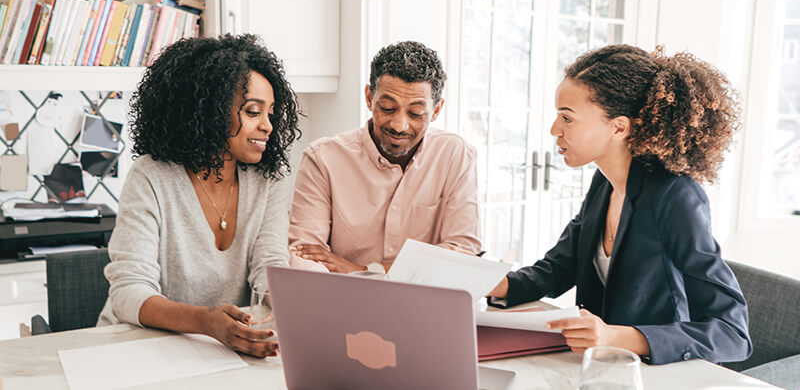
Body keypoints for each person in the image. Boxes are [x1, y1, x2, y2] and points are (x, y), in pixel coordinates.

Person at [488, 44, 752, 365]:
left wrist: (619, 336)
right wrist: (493, 283)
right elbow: (561, 267)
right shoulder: (605, 182)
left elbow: (732, 333)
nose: (554, 130)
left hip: (660, 375)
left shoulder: (676, 196)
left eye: (567, 118)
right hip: (602, 370)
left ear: (619, 127)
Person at [97, 34, 301, 358]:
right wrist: (206, 322)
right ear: (210, 111)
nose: (268, 126)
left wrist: (289, 305)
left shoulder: (268, 180)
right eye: (252, 112)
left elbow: (270, 266)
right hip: (138, 348)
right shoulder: (151, 176)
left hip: (221, 349)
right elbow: (128, 292)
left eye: (271, 114)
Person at [289, 41, 480, 274]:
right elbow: (305, 255)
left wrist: (367, 271)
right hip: (343, 300)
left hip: (424, 304)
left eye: (415, 113)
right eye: (388, 108)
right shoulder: (322, 159)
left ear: (437, 110)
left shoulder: (456, 155)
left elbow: (462, 252)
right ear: (369, 97)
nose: (399, 125)